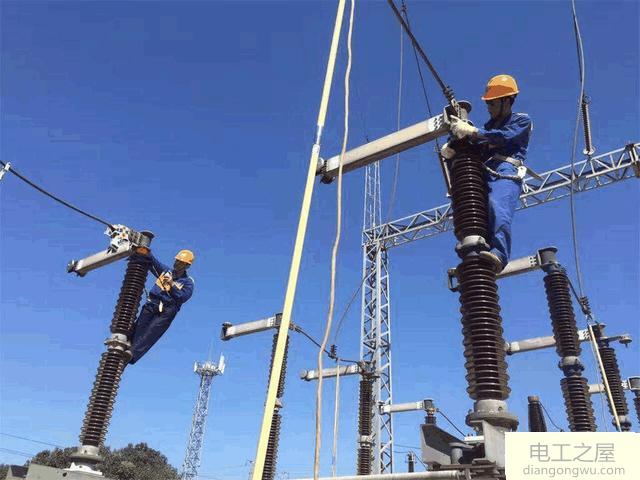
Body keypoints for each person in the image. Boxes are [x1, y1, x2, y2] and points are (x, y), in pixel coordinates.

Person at [441, 74, 533, 271]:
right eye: (488, 104)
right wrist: (454, 145)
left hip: (505, 171)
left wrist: (473, 132)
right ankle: (473, 250)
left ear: (506, 101)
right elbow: (476, 144)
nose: (489, 108)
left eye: (492, 103)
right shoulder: (488, 127)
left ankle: (499, 254)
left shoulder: (521, 121)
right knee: (469, 203)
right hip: (485, 170)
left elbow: (503, 137)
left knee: (496, 205)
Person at [128, 249, 195, 364]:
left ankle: (130, 356)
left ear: (187, 266)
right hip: (151, 304)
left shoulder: (188, 282)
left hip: (166, 311)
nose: (177, 263)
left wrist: (172, 285)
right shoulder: (166, 271)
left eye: (180, 262)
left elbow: (182, 297)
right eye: (177, 260)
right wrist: (144, 250)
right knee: (137, 330)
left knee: (149, 334)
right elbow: (153, 262)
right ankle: (124, 350)